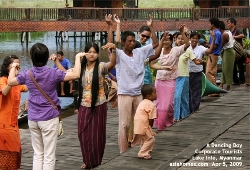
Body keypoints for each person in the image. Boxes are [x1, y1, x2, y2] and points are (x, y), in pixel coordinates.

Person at [8, 43, 85, 170]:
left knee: (38, 154)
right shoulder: (53, 73)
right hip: (49, 117)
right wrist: (77, 57)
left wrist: (13, 67)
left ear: (32, 57)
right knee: (49, 156)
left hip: (33, 118)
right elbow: (76, 74)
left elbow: (11, 82)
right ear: (45, 57)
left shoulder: (27, 74)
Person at [115, 15, 160, 154]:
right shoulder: (119, 55)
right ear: (123, 42)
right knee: (124, 124)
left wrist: (152, 27)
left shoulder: (139, 52)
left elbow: (155, 44)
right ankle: (123, 150)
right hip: (125, 93)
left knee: (141, 121)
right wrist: (115, 25)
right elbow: (113, 44)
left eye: (134, 40)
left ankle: (139, 145)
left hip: (138, 93)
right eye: (129, 41)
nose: (132, 43)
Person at [149, 24, 190, 130]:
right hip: (159, 81)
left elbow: (187, 44)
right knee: (158, 104)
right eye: (164, 40)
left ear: (172, 41)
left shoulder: (176, 51)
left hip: (171, 80)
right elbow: (152, 64)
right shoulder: (159, 51)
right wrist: (162, 67)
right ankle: (160, 126)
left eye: (168, 40)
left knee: (168, 105)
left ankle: (167, 122)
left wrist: (182, 32)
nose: (166, 42)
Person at [0, 55, 28, 169]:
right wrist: (13, 71)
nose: (18, 68)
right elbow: (4, 92)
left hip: (13, 127)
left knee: (15, 158)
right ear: (8, 68)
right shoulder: (3, 80)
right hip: (3, 126)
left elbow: (28, 87)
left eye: (18, 66)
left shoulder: (17, 83)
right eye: (15, 66)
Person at [173, 29, 207, 122]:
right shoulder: (173, 50)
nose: (180, 40)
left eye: (182, 39)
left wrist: (201, 62)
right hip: (174, 77)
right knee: (179, 96)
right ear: (175, 39)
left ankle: (183, 116)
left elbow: (196, 61)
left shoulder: (188, 50)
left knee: (183, 96)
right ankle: (179, 116)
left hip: (185, 76)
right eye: (178, 38)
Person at [188, 32, 215, 113]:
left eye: (196, 38)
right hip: (188, 73)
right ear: (190, 39)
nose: (194, 40)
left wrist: (213, 39)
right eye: (193, 38)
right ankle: (189, 109)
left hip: (197, 73)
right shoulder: (187, 47)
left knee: (197, 92)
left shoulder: (201, 48)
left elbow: (209, 50)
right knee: (189, 92)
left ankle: (195, 109)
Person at [131, 84, 157, 160]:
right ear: (149, 96)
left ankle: (144, 150)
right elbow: (151, 119)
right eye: (155, 93)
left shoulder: (142, 102)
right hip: (144, 125)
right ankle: (142, 153)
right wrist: (150, 126)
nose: (156, 94)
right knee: (151, 139)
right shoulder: (151, 105)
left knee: (144, 139)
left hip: (137, 124)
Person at [206, 17, 222, 97]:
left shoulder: (216, 33)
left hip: (213, 54)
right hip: (214, 55)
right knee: (213, 73)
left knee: (208, 72)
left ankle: (214, 90)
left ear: (212, 24)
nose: (209, 25)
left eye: (209, 23)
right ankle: (215, 90)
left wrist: (207, 45)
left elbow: (214, 46)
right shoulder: (215, 32)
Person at [227, 18, 245, 85]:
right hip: (232, 50)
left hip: (238, 51)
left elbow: (242, 35)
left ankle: (242, 81)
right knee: (233, 66)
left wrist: (235, 37)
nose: (228, 24)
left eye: (228, 23)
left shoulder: (237, 30)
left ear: (232, 23)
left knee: (240, 66)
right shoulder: (229, 31)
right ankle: (235, 80)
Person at [218, 21, 235, 91]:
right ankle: (222, 84)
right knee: (224, 68)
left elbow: (220, 46)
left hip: (229, 52)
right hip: (227, 51)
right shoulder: (227, 32)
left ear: (219, 28)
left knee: (228, 69)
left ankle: (227, 85)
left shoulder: (224, 34)